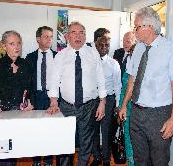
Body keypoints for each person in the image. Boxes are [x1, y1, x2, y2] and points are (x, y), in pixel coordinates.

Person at [118, 7, 173, 166]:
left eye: (136, 27)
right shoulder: (138, 49)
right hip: (136, 112)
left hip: (159, 115)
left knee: (159, 161)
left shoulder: (171, 49)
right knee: (140, 159)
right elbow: (132, 80)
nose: (134, 30)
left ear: (148, 27)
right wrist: (124, 106)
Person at [46, 21, 107, 166]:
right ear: (67, 36)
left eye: (82, 33)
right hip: (67, 107)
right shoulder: (60, 56)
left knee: (86, 143)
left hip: (89, 106)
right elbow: (53, 81)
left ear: (85, 36)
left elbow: (100, 79)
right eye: (74, 32)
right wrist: (53, 102)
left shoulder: (93, 53)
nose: (78, 36)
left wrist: (102, 103)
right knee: (65, 142)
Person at [0, 30, 34, 166]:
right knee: (5, 153)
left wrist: (31, 102)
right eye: (12, 44)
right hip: (2, 113)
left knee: (18, 149)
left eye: (19, 43)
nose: (17, 47)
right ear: (4, 46)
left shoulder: (27, 64)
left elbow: (32, 89)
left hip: (22, 113)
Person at [25, 26, 57, 166]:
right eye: (46, 36)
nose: (49, 39)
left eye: (51, 36)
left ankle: (49, 161)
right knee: (35, 131)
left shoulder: (58, 56)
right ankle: (36, 161)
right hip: (36, 97)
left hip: (53, 98)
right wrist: (28, 100)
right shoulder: (29, 57)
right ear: (38, 39)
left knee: (50, 131)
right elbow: (26, 81)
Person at [91, 35, 122, 166]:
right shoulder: (90, 62)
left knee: (106, 130)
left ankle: (106, 160)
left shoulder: (114, 64)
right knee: (94, 130)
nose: (104, 48)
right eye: (101, 45)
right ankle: (96, 157)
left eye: (107, 45)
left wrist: (118, 103)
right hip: (93, 100)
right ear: (96, 46)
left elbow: (117, 85)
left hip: (108, 101)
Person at [117, 42, 136, 166]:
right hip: (126, 112)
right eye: (132, 54)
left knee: (138, 144)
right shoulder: (128, 71)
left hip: (140, 112)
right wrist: (120, 109)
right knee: (128, 141)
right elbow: (123, 91)